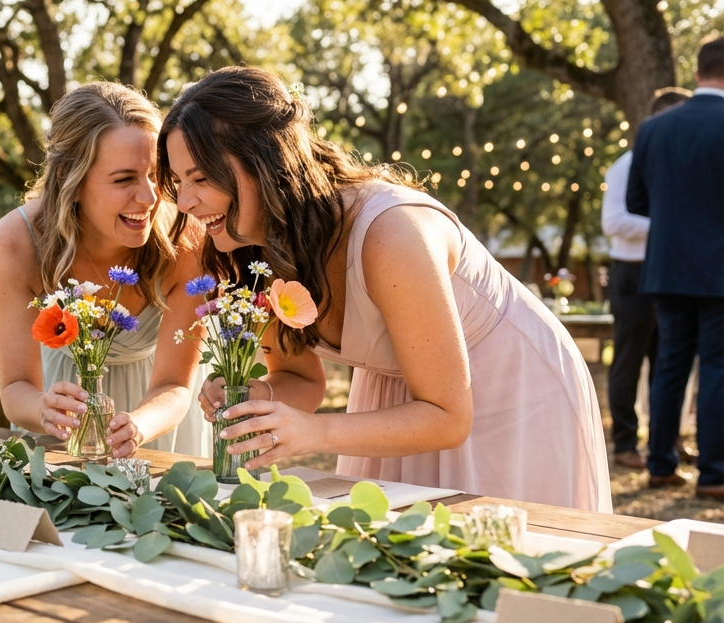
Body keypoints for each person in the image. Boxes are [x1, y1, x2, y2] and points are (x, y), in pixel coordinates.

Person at [162, 66, 610, 512]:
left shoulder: (390, 232)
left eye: (201, 179)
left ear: (266, 161)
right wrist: (262, 400)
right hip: (399, 404)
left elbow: (448, 415)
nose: (184, 202)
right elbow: (300, 379)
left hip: (509, 391)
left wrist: (313, 432)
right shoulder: (250, 250)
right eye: (179, 182)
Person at [0, 82, 207, 457]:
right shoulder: (14, 245)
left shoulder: (185, 238)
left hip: (162, 423)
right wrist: (43, 409)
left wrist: (137, 426)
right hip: (64, 429)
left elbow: (175, 384)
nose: (150, 198)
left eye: (155, 174)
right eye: (124, 179)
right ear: (68, 179)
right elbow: (15, 387)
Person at [627, 36, 724, 500]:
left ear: (699, 70)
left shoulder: (653, 129)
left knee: (670, 366)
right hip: (720, 269)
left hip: (667, 266)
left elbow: (635, 201)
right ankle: (714, 473)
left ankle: (660, 464)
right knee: (718, 367)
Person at [601, 88, 693, 471]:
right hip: (632, 274)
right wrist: (668, 228)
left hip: (667, 273)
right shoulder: (626, 164)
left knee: (667, 362)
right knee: (628, 360)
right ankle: (624, 443)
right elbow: (613, 222)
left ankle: (665, 442)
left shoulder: (677, 166)